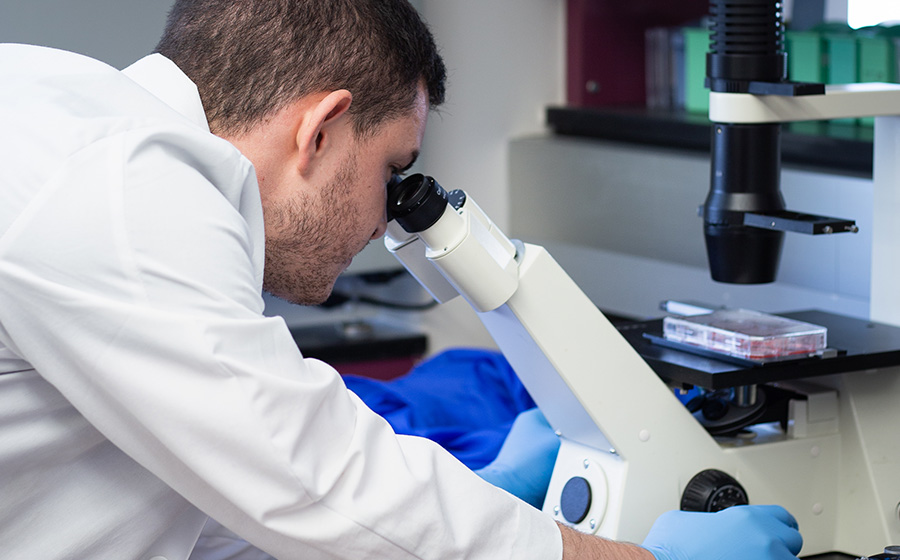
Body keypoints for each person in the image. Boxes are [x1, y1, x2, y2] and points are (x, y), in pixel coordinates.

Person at [0, 0, 803, 558]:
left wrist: (473, 503)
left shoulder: (73, 120)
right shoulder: (126, 185)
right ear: (321, 129)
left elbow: (215, 510)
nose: (386, 222)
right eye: (394, 169)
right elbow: (314, 480)